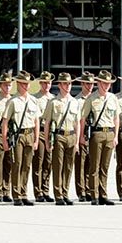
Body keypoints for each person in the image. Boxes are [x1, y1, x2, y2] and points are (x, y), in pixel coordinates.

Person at [80, 70, 120, 206]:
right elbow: (83, 118)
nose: (107, 85)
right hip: (96, 134)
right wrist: (81, 136)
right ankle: (94, 195)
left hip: (109, 133)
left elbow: (116, 118)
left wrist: (115, 135)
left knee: (105, 166)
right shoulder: (92, 98)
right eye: (104, 83)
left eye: (108, 83)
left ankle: (103, 194)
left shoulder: (113, 98)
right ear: (98, 82)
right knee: (94, 166)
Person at [2, 71, 40, 206]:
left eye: (28, 83)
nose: (26, 86)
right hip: (18, 135)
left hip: (30, 134)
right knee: (17, 164)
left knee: (27, 165)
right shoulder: (12, 101)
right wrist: (5, 140)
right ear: (18, 83)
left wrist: (36, 139)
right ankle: (16, 194)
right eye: (23, 83)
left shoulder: (33, 100)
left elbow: (36, 121)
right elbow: (5, 122)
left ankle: (24, 193)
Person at [43, 73, 80, 205]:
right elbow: (47, 123)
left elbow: (77, 123)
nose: (67, 86)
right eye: (65, 83)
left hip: (71, 135)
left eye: (69, 83)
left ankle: (65, 192)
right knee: (58, 166)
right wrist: (47, 141)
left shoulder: (75, 102)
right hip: (58, 136)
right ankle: (58, 194)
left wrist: (77, 142)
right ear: (59, 85)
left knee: (69, 167)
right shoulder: (53, 102)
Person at [32, 71, 55, 202]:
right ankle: (38, 191)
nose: (47, 85)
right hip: (40, 132)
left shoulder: (54, 98)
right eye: (44, 83)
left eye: (49, 83)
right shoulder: (35, 99)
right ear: (40, 83)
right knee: (38, 163)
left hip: (51, 133)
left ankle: (45, 190)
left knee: (48, 162)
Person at [0, 73, 14, 202]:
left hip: (12, 134)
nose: (7, 87)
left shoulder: (14, 100)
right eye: (5, 85)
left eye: (9, 85)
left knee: (9, 163)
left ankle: (7, 190)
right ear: (0, 85)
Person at [74, 72, 95, 201]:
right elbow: (76, 120)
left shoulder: (96, 98)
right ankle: (81, 191)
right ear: (82, 84)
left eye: (92, 84)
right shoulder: (77, 100)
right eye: (87, 83)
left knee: (91, 163)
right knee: (81, 163)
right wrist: (80, 136)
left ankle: (89, 189)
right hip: (82, 132)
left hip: (93, 133)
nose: (90, 86)